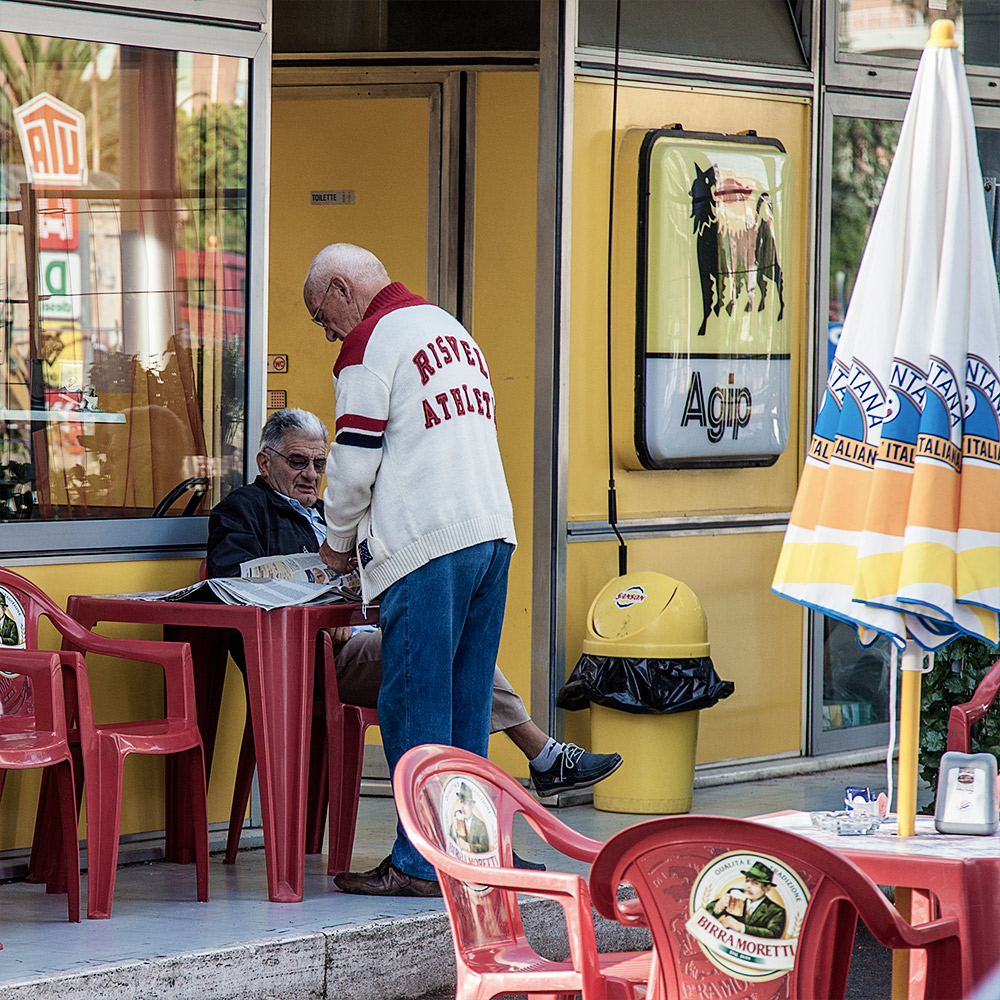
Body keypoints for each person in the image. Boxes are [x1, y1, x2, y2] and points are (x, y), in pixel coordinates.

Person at [207, 407, 622, 887]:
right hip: (309, 656)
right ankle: (538, 762)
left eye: (320, 465)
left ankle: (482, 836)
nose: (311, 476)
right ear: (264, 461)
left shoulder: (329, 515)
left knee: (455, 651)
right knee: (446, 654)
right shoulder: (243, 510)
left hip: (362, 636)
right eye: (298, 462)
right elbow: (232, 582)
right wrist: (316, 614)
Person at [705, 861, 787, 939]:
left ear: (767, 889)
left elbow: (773, 934)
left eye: (755, 883)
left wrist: (742, 928)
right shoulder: (735, 894)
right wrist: (718, 907)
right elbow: (705, 914)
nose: (748, 886)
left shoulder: (776, 911)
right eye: (747, 881)